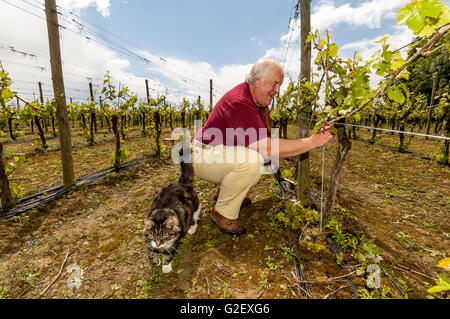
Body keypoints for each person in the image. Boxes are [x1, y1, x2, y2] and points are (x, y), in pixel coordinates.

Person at [192, 57, 334, 235]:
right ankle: (222, 213)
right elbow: (265, 148)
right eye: (275, 84)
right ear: (257, 80)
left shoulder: (256, 102)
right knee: (253, 162)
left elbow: (265, 132)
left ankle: (224, 193)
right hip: (202, 154)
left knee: (255, 159)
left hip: (218, 152)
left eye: (280, 85)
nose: (277, 90)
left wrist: (265, 110)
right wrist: (312, 142)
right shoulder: (239, 101)